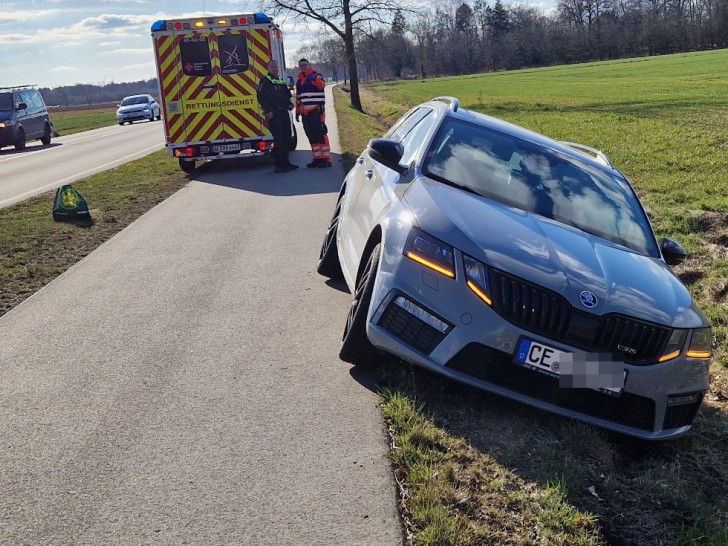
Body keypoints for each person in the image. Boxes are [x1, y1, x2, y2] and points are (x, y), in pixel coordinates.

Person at [257, 60, 298, 173]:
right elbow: (261, 97)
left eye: (276, 66)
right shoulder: (265, 81)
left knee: (287, 137)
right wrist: (268, 110)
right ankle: (279, 165)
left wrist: (289, 104)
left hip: (283, 112)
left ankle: (286, 162)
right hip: (274, 114)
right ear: (268, 68)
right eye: (272, 67)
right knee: (279, 139)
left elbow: (286, 96)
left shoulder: (280, 81)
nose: (275, 68)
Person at [295, 58, 332, 168]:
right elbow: (298, 98)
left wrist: (314, 80)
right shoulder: (299, 81)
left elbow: (321, 85)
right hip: (305, 114)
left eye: (304, 65)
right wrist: (297, 112)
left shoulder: (316, 75)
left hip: (316, 111)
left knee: (320, 135)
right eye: (301, 65)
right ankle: (317, 158)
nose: (303, 67)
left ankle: (326, 159)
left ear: (309, 65)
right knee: (311, 136)